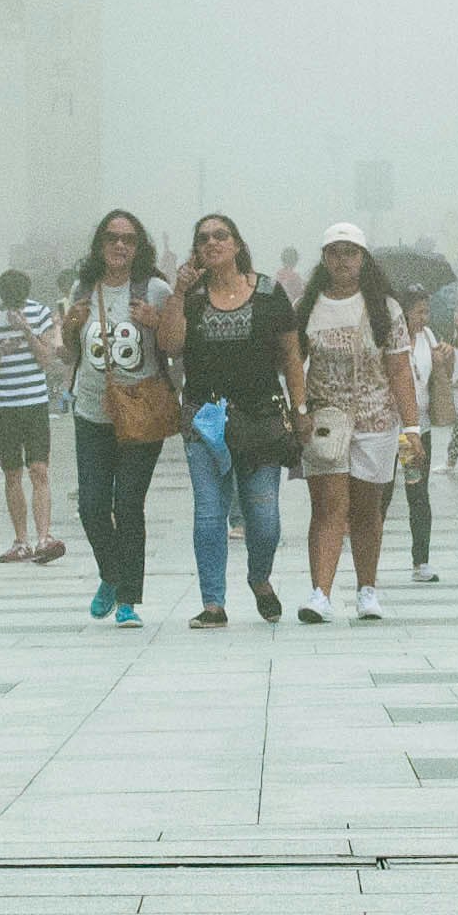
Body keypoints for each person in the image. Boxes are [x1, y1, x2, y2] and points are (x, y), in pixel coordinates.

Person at [158, 213, 300, 627]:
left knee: (264, 516)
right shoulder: (193, 296)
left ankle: (260, 578)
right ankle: (213, 602)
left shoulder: (270, 293)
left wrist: (300, 408)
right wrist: (180, 292)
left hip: (260, 419)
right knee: (208, 512)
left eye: (221, 236)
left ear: (237, 244)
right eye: (203, 238)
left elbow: (291, 356)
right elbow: (170, 344)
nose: (212, 243)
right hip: (205, 419)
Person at [293, 227, 421, 624]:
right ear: (324, 258)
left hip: (377, 421)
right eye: (335, 252)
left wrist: (412, 429)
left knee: (367, 510)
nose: (343, 260)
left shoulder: (386, 308)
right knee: (329, 508)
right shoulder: (307, 305)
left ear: (364, 258)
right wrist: (299, 411)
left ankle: (367, 590)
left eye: (351, 253)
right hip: (326, 422)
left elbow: (399, 369)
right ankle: (321, 594)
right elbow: (293, 363)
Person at [61, 210, 174, 629]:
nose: (120, 246)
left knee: (127, 504)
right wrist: (69, 329)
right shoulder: (83, 288)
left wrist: (157, 321)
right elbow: (69, 354)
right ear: (100, 245)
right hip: (92, 411)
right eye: (111, 238)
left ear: (139, 245)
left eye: (128, 239)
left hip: (142, 411)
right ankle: (111, 574)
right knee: (92, 505)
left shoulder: (155, 289)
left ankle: (128, 599)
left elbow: (177, 344)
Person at [0, 267, 65, 568]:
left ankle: (44, 538)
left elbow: (47, 358)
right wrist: (0, 350)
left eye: (18, 300)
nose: (14, 305)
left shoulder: (39, 313)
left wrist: (26, 329)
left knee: (39, 469)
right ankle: (21, 540)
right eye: (10, 300)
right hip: (4, 404)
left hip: (34, 402)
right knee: (12, 473)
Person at [397, 290, 445, 583]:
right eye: (418, 312)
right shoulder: (389, 338)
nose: (423, 318)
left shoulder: (428, 336)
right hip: (390, 430)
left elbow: (440, 376)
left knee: (417, 492)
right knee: (382, 494)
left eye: (426, 311)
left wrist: (445, 359)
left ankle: (421, 561)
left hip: (417, 431)